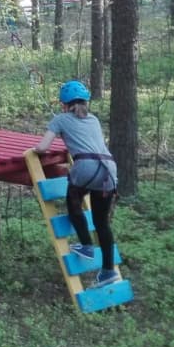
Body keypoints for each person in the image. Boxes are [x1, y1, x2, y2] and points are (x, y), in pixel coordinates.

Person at [34, 81, 122, 289]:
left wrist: (35, 150)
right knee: (101, 223)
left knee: (73, 203)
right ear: (85, 102)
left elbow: (43, 147)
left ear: (64, 104)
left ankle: (86, 245)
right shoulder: (94, 120)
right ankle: (108, 271)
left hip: (85, 167)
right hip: (109, 170)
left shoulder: (60, 119)